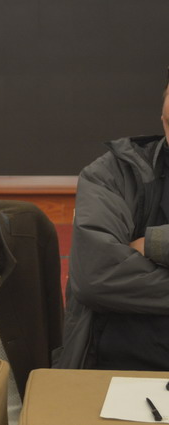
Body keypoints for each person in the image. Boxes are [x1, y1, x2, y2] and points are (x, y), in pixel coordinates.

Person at [55, 78, 169, 370]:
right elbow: (97, 276)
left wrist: (153, 244)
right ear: (162, 116)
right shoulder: (113, 173)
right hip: (117, 367)